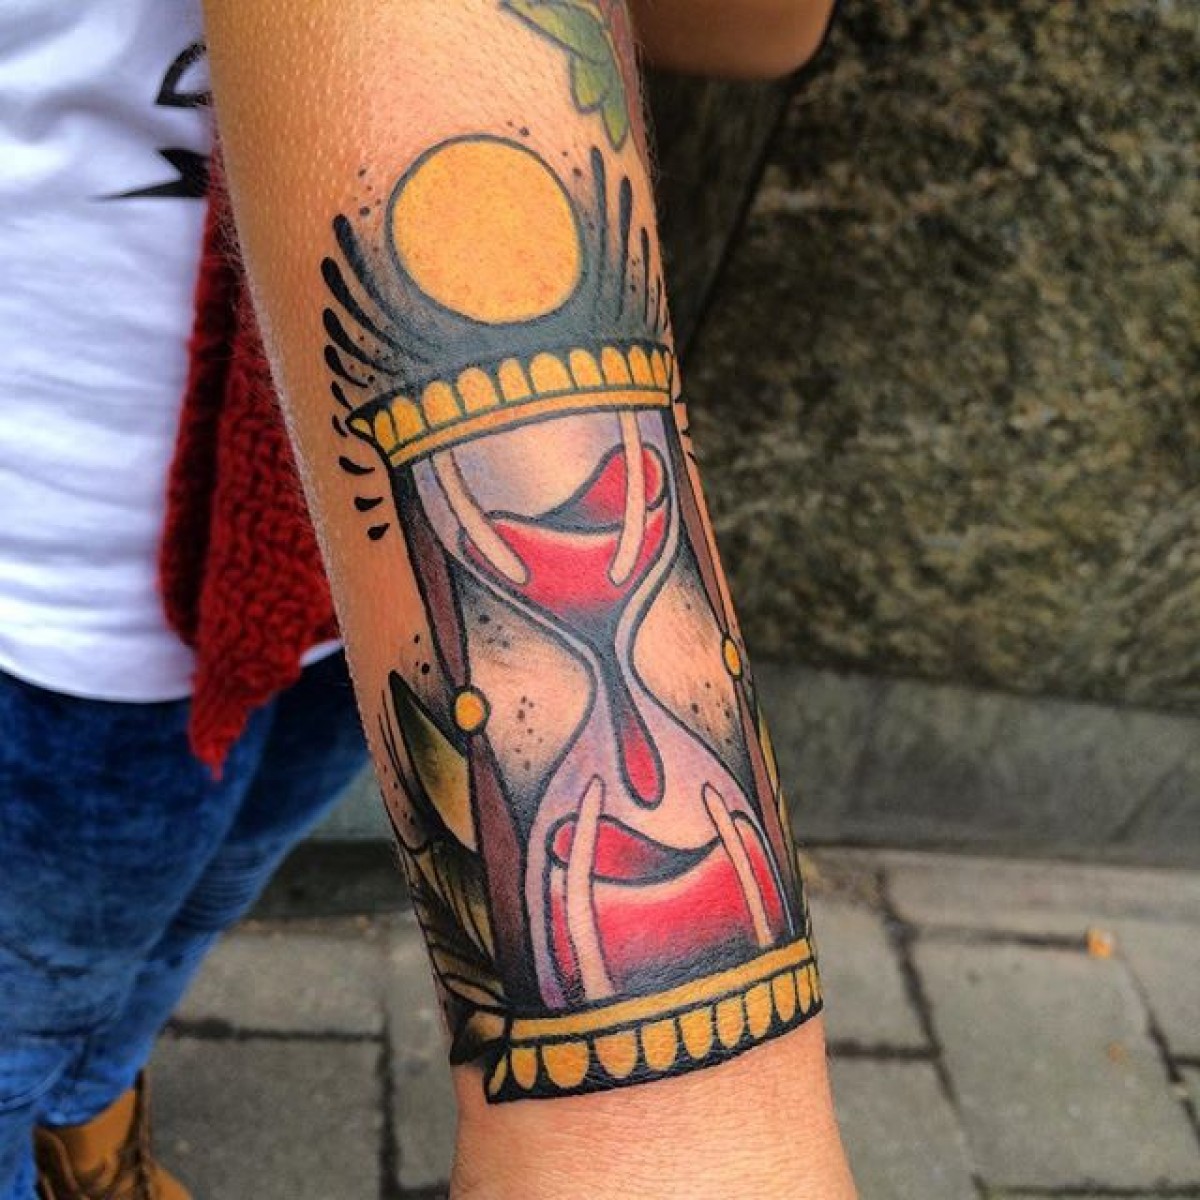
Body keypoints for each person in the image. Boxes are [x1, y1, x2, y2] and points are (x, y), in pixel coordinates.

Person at [0, 2, 846, 1198]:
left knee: (205, 899)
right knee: (26, 997)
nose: (644, 778)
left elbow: (760, 33)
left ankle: (87, 1117)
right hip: (65, 553)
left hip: (346, 572)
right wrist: (660, 1138)